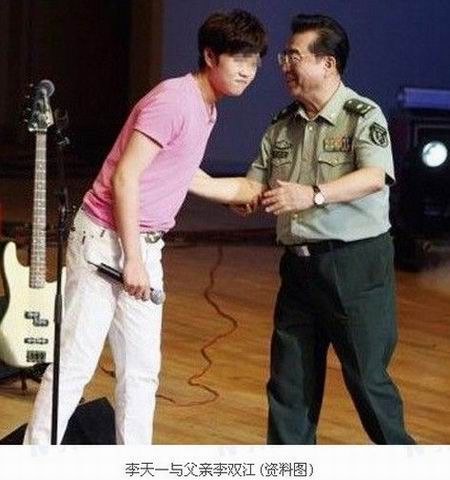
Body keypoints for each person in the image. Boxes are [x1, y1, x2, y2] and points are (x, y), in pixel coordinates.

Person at [23, 9, 267, 445]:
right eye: (239, 59)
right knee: (74, 365)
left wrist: (235, 192)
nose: (248, 71)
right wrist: (132, 259)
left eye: (254, 61)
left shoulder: (206, 109)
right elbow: (125, 177)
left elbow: (182, 172)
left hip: (144, 246)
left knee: (141, 372)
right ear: (210, 56)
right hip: (106, 241)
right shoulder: (174, 101)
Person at [189, 14, 415, 444]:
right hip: (298, 269)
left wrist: (312, 195)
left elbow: (375, 176)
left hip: (354, 265)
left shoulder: (361, 115)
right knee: (289, 386)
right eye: (284, 57)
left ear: (327, 63)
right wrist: (191, 178)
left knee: (368, 383)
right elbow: (252, 184)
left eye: (294, 57)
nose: (284, 66)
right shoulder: (282, 124)